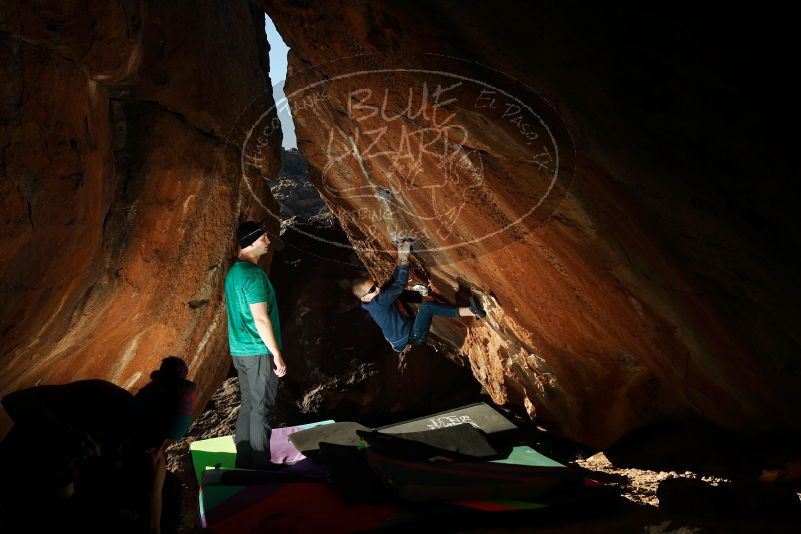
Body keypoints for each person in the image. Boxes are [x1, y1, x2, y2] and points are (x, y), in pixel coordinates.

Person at [0, 356, 196, 534]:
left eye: (165, 438)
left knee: (170, 488)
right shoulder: (99, 398)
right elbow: (15, 401)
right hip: (31, 478)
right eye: (155, 433)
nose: (157, 444)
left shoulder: (149, 453)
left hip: (83, 489)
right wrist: (62, 433)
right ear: (141, 415)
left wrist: (151, 499)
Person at [224, 221, 285, 469]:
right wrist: (277, 354)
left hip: (240, 350)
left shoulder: (234, 272)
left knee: (249, 404)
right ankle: (261, 464)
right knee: (262, 407)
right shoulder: (253, 275)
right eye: (263, 238)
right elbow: (260, 319)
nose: (268, 242)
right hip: (258, 350)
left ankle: (245, 460)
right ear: (250, 242)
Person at [352, 240, 486, 352]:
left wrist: (401, 255)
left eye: (376, 284)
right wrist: (404, 257)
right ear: (365, 298)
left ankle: (429, 300)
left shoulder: (375, 297)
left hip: (408, 329)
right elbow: (399, 285)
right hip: (414, 336)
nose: (378, 288)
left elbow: (393, 281)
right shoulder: (378, 303)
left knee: (401, 296)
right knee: (427, 308)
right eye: (372, 289)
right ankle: (473, 311)